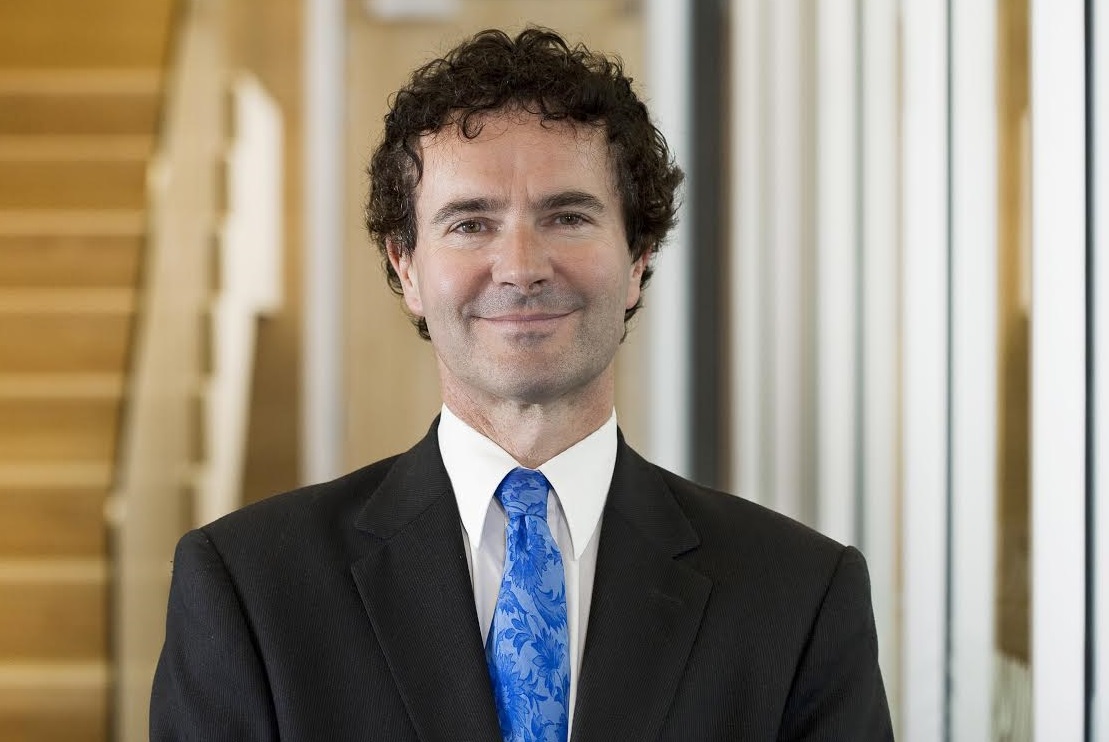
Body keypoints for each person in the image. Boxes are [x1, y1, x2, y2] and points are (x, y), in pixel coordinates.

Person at [150, 27, 892, 741]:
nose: (521, 267)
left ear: (638, 258)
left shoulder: (797, 597)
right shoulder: (250, 587)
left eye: (566, 216)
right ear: (407, 267)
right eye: (470, 224)